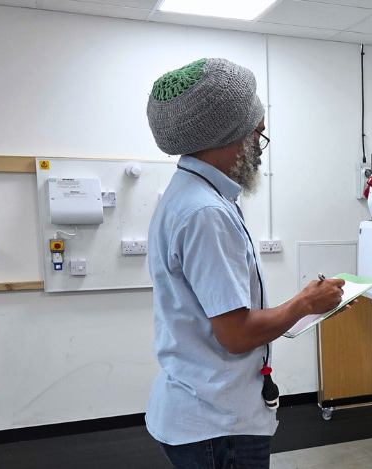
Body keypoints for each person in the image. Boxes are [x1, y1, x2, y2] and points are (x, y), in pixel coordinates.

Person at [145, 57, 346, 469]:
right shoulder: (205, 212)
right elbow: (236, 335)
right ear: (229, 137)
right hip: (219, 427)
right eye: (258, 134)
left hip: (206, 414)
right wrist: (305, 303)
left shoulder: (192, 196)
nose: (259, 147)